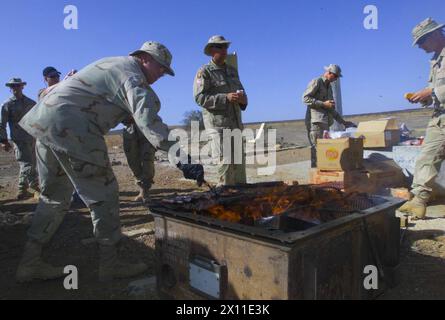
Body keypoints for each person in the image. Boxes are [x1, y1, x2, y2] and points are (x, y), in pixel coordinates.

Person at [15, 41, 204, 282]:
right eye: (161, 69)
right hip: (75, 129)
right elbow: (148, 122)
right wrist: (183, 159)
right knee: (104, 195)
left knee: (53, 196)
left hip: (45, 123)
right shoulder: (133, 76)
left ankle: (29, 263)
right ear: (146, 58)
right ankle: (110, 263)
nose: (161, 75)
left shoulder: (111, 63)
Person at [399, 18, 445, 220]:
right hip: (441, 117)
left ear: (434, 35)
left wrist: (432, 91)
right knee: (427, 157)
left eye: (421, 42)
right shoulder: (437, 61)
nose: (420, 47)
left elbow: (436, 90)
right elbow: (435, 92)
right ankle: (419, 200)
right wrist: (424, 98)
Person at [193, 35, 248, 186]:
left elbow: (242, 92)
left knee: (238, 167)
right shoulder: (205, 71)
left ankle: (241, 203)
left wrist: (244, 100)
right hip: (218, 128)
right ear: (211, 50)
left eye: (225, 47)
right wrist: (225, 97)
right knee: (225, 165)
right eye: (219, 47)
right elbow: (200, 98)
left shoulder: (232, 71)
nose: (224, 50)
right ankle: (224, 202)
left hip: (235, 125)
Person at [302, 64, 356, 168]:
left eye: (337, 77)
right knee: (317, 150)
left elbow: (330, 108)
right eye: (335, 76)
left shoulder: (329, 87)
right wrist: (323, 104)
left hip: (325, 123)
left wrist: (343, 122)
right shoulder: (317, 81)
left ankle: (324, 174)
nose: (335, 79)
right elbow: (305, 98)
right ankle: (316, 176)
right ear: (329, 73)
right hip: (315, 123)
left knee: (324, 151)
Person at [0, 78, 39, 199]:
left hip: (32, 137)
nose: (15, 88)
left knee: (30, 163)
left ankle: (22, 190)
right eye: (12, 86)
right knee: (26, 163)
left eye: (17, 86)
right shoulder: (7, 105)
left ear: (22, 87)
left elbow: (38, 119)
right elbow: (2, 124)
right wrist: (4, 141)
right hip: (18, 139)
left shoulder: (31, 103)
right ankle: (35, 186)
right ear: (10, 88)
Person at [122, 116, 156, 203]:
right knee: (133, 160)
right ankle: (142, 190)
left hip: (146, 126)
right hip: (129, 128)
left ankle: (145, 191)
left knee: (147, 159)